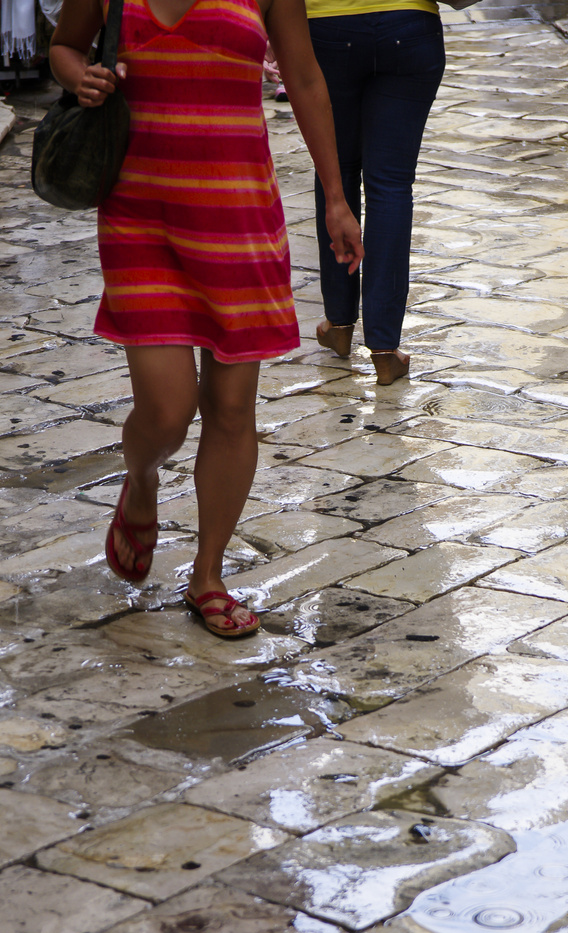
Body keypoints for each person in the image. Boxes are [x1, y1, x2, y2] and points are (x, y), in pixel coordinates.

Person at [48, 0, 363, 638]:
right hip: (140, 217)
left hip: (238, 218)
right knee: (166, 409)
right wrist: (76, 76)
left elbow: (303, 80)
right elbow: (64, 46)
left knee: (230, 406)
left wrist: (336, 198)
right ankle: (141, 481)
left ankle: (209, 575)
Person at [307, 0, 445, 385]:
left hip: (327, 25)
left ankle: (338, 324)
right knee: (392, 185)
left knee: (336, 171)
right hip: (409, 21)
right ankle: (385, 350)